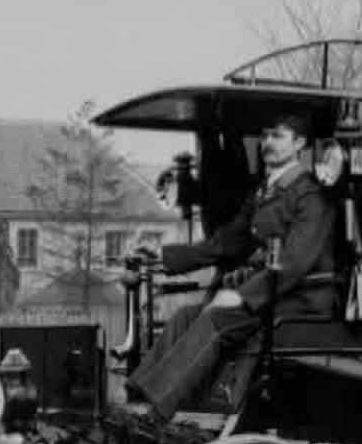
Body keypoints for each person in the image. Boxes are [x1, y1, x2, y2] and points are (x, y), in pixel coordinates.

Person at [122, 112, 338, 425]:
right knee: (185, 316)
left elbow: (295, 262)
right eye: (265, 136)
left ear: (300, 144)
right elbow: (225, 242)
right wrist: (163, 256)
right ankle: (138, 396)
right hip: (270, 293)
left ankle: (157, 413)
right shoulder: (265, 192)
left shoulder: (309, 196)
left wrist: (242, 297)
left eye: (278, 136)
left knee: (216, 319)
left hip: (300, 298)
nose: (268, 143)